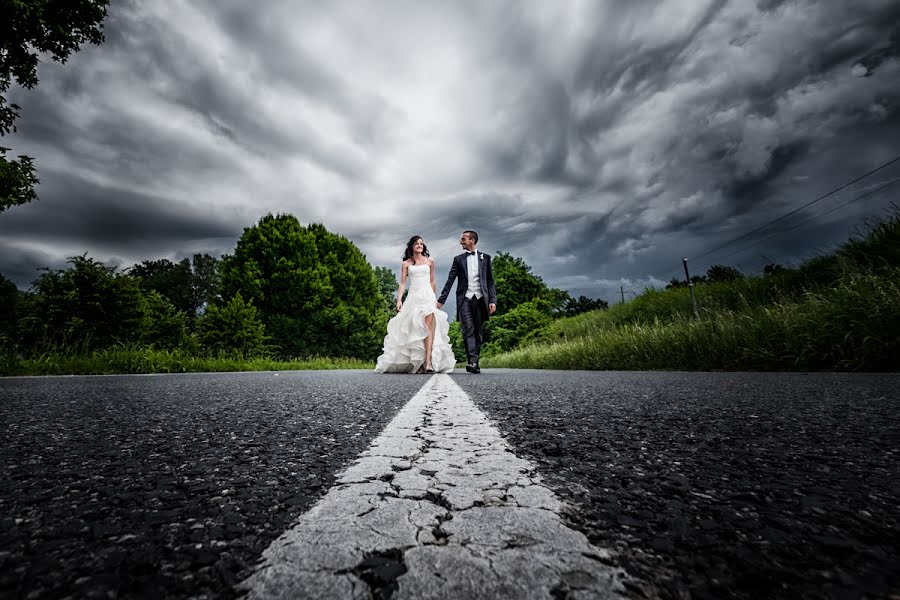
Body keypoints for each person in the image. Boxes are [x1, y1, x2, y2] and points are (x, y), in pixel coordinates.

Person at [375, 236, 456, 374]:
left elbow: (432, 281)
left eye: (421, 244)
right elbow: (402, 283)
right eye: (417, 243)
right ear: (412, 246)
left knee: (428, 328)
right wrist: (399, 300)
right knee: (415, 329)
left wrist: (433, 297)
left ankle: (428, 362)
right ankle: (416, 362)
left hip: (427, 297)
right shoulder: (406, 264)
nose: (420, 245)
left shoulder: (430, 262)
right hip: (413, 297)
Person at [437, 230, 497, 374]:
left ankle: (476, 360)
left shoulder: (486, 258)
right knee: (467, 330)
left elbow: (490, 282)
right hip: (465, 299)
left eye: (463, 239)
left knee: (478, 332)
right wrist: (441, 300)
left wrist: (493, 301)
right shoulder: (458, 259)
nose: (461, 241)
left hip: (481, 300)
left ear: (472, 240)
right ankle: (473, 361)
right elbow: (450, 280)